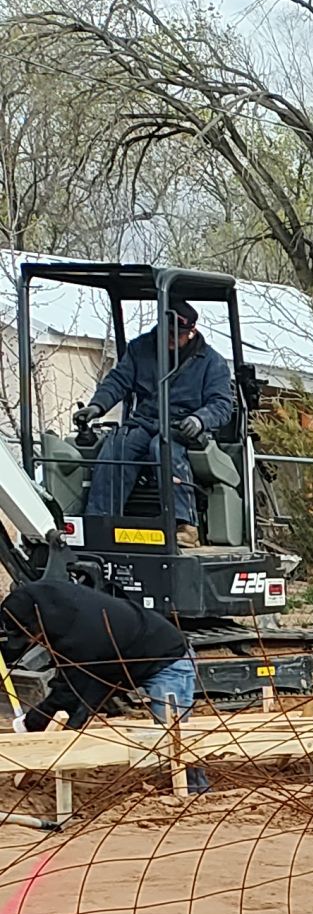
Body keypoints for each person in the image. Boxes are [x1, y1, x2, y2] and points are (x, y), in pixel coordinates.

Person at [81, 291, 236, 535]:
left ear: (191, 332)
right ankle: (99, 522)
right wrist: (97, 406)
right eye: (167, 333)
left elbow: (222, 404)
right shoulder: (140, 349)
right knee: (118, 445)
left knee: (163, 447)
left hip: (183, 428)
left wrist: (199, 419)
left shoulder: (211, 362)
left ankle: (185, 524)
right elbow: (118, 381)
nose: (171, 340)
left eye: (178, 335)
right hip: (145, 422)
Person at [0, 567, 197, 734]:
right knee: (72, 719)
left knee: (173, 743)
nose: (34, 642)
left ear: (38, 625)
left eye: (31, 636)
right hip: (115, 660)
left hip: (168, 661)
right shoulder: (50, 602)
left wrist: (29, 724)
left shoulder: (80, 637)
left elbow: (70, 691)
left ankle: (192, 781)